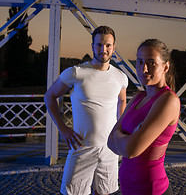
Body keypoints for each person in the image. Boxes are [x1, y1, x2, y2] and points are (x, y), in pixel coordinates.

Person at [44, 25, 128, 195]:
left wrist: (122, 131)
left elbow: (122, 100)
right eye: (99, 45)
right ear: (92, 46)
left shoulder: (121, 77)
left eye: (108, 45)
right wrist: (62, 128)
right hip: (82, 146)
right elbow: (49, 96)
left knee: (105, 192)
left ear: (113, 47)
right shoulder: (76, 73)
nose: (103, 49)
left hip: (110, 148)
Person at [108, 39, 180, 195]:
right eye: (139, 62)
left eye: (151, 63)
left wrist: (119, 136)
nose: (144, 68)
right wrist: (126, 141)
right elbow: (109, 142)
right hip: (129, 189)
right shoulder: (138, 98)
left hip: (151, 189)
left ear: (165, 66)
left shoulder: (169, 100)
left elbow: (131, 150)